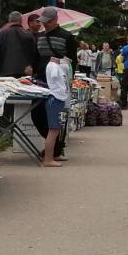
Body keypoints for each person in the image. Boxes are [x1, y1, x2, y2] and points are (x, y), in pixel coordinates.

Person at [34, 9, 78, 160]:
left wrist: (69, 80)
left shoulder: (67, 36)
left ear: (55, 19)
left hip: (58, 81)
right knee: (36, 114)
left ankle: (55, 150)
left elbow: (73, 61)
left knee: (56, 117)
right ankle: (51, 146)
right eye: (43, 21)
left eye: (48, 21)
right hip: (40, 79)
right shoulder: (39, 37)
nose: (45, 24)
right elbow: (36, 57)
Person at [42, 47, 70, 167]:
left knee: (56, 128)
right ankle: (48, 159)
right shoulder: (53, 66)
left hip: (58, 98)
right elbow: (55, 79)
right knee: (53, 129)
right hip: (55, 98)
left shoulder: (55, 66)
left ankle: (51, 156)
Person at [0, 11, 36, 78]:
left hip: (4, 72)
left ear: (9, 20)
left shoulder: (2, 33)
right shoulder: (29, 34)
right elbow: (34, 54)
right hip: (24, 73)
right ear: (20, 20)